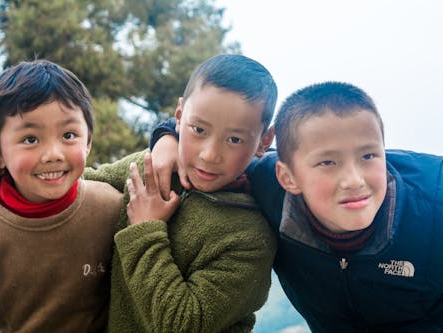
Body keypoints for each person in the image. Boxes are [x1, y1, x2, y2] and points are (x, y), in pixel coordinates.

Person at [0, 54, 278, 332]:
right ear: (180, 116)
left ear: (264, 141)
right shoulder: (151, 166)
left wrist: (145, 230)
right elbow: (74, 189)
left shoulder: (249, 239)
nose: (210, 154)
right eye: (199, 130)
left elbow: (182, 323)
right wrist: (5, 174)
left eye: (235, 140)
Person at [149, 81, 443, 332]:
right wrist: (165, 139)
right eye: (328, 162)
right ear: (288, 178)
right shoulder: (268, 184)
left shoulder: (434, 203)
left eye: (368, 156)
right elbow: (204, 133)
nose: (354, 181)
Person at [0, 60, 122, 332]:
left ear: (88, 143)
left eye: (69, 134)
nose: (53, 154)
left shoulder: (112, 209)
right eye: (30, 139)